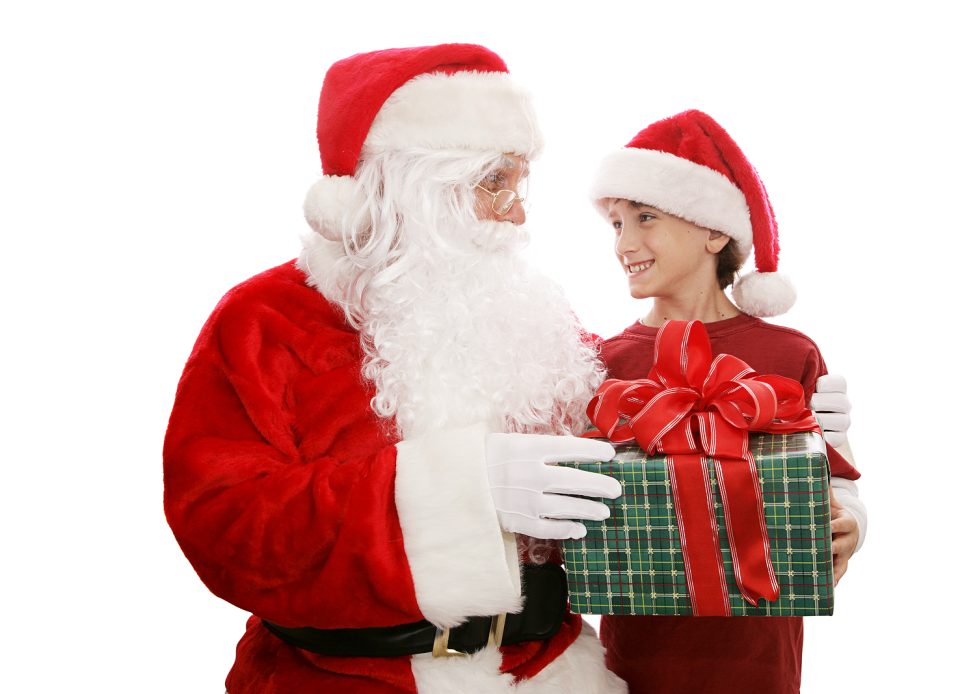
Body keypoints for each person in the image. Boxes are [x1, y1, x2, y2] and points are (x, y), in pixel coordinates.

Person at [163, 44, 628, 694]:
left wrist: (802, 446)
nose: (518, 213)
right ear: (415, 185)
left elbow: (662, 420)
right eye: (495, 183)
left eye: (520, 185)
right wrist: (457, 490)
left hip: (551, 672)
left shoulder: (529, 318)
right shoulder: (264, 320)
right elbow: (224, 527)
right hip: (341, 680)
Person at [587, 109, 867, 694]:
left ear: (715, 233)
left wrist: (850, 527)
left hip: (758, 657)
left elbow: (835, 480)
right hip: (634, 658)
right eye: (616, 224)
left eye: (645, 218)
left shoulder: (790, 353)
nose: (625, 243)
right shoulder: (604, 362)